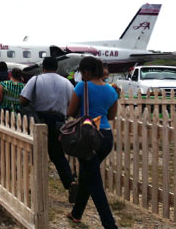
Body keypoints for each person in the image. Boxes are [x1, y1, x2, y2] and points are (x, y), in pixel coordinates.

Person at [66, 56, 118, 228]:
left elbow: (71, 111)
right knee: (87, 175)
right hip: (106, 138)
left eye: (81, 72)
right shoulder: (111, 90)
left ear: (86, 72)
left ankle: (110, 224)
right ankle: (76, 213)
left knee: (94, 182)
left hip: (88, 138)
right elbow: (111, 116)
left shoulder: (82, 86)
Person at [19, 57, 77, 203]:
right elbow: (72, 105)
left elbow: (23, 100)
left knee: (35, 153)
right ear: (57, 68)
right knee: (58, 155)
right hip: (59, 122)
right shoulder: (66, 83)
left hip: (39, 120)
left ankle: (36, 185)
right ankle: (70, 182)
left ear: (43, 67)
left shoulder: (36, 80)